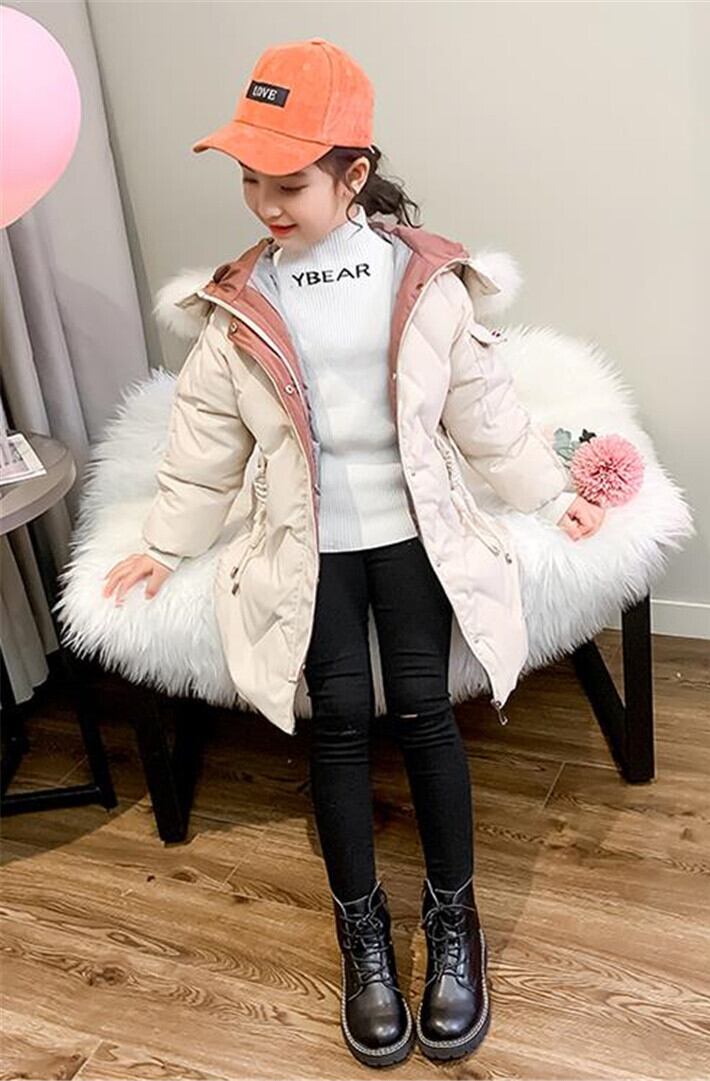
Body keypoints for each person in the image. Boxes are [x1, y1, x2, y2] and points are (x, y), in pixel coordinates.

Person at [102, 38, 605, 1068]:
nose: (265, 204)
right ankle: (362, 934)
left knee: (424, 710)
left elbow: (485, 413)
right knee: (335, 721)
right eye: (250, 180)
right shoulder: (241, 306)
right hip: (312, 541)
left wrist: (554, 495)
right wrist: (162, 543)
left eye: (288, 182)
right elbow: (205, 443)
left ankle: (454, 919)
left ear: (354, 174)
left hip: (414, 531)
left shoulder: (424, 283)